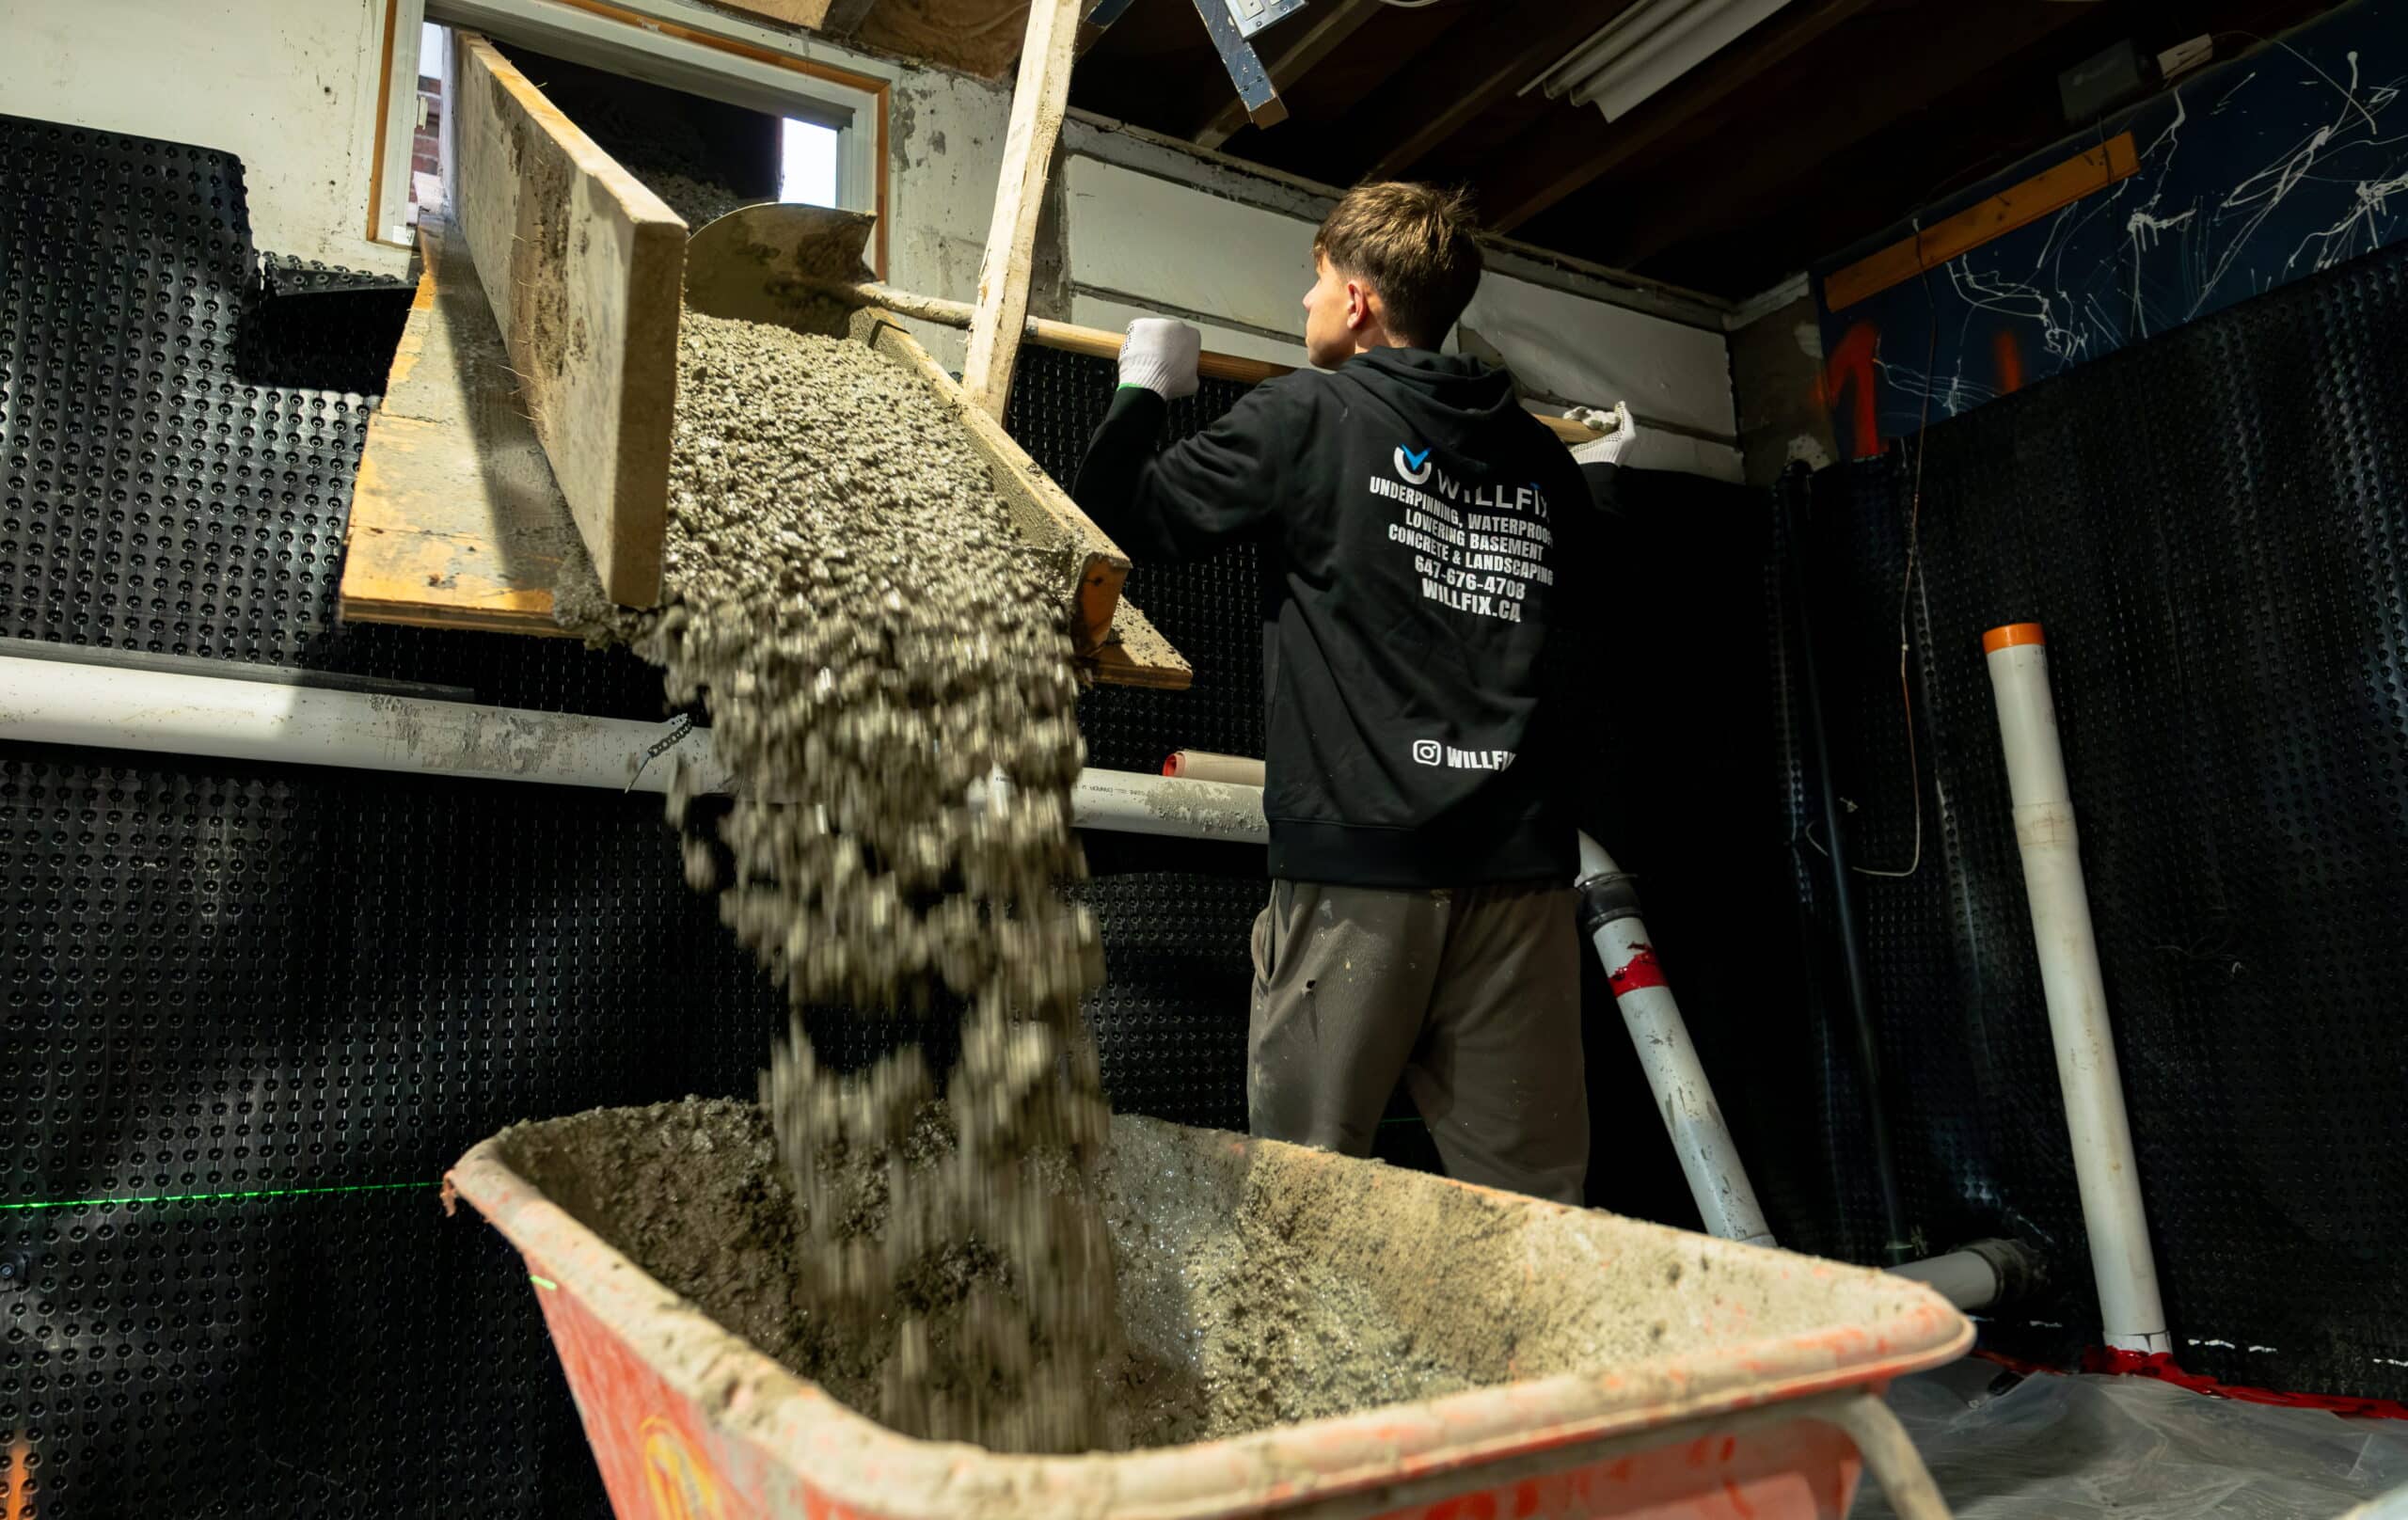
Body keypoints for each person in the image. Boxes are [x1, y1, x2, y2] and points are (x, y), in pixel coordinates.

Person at [1071, 182, 1624, 1206]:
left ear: (1361, 302)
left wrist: (1144, 389)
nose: (1304, 304)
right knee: (1536, 1213)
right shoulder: (1541, 458)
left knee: (1304, 1197)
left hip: (1361, 871)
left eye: (1316, 281)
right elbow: (1581, 609)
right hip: (1522, 878)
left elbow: (1108, 523)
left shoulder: (1306, 414)